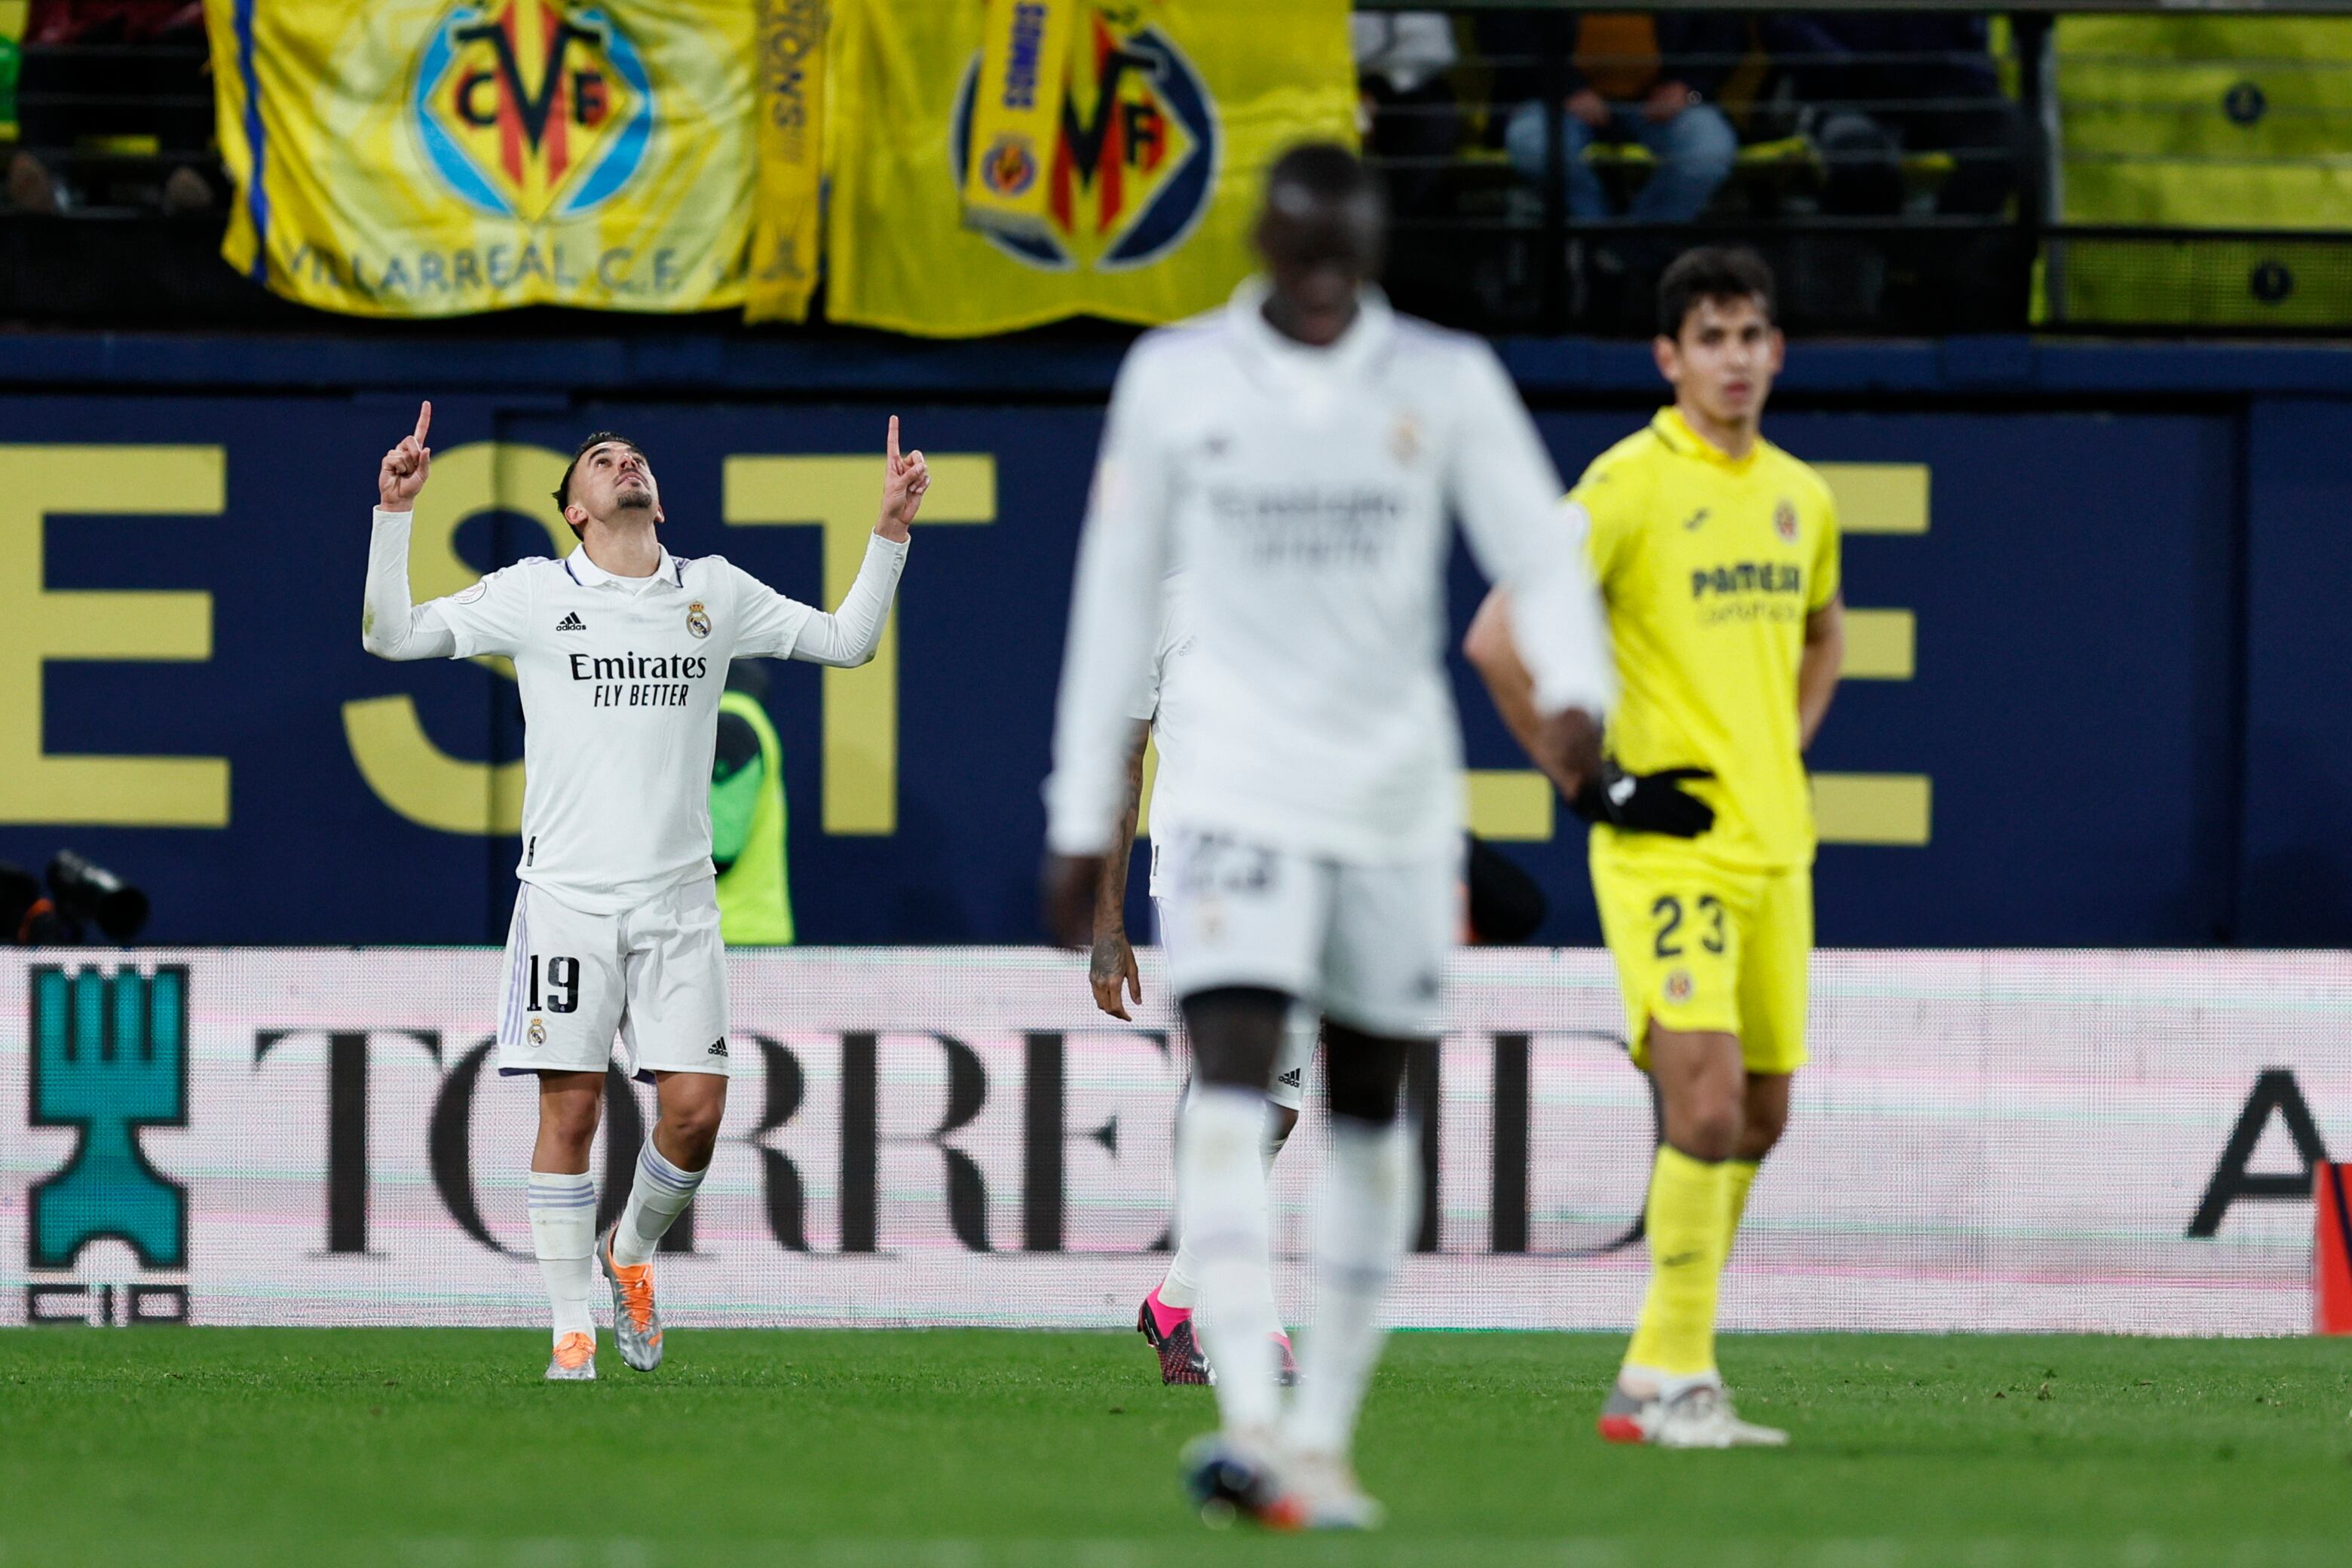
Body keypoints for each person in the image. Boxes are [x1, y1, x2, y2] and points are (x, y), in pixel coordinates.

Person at [1042, 143, 1612, 1529]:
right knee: (1234, 1090)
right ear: (1261, 240)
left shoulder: (1444, 379)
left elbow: (1539, 550)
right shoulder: (1177, 380)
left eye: (1340, 245)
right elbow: (1110, 601)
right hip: (1233, 814)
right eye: (1297, 243)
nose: (1317, 270)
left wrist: (1581, 691)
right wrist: (1074, 825)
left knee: (1366, 1119)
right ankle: (1250, 1417)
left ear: (1370, 245)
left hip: (1387, 806)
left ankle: (1322, 1439)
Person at [362, 405, 929, 1380]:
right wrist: (395, 515)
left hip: (678, 906)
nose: (625, 464)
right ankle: (570, 1332)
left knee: (697, 1114)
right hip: (567, 902)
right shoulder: (534, 593)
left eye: (634, 457)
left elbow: (849, 643)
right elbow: (390, 636)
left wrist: (888, 531)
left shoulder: (714, 591)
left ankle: (629, 1252)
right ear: (574, 510)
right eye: (601, 460)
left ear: (656, 501)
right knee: (571, 1115)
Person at [1465, 247, 1844, 1449]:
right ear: (1669, 357)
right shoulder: (1628, 485)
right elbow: (1497, 634)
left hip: (1775, 850)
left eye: (1751, 336)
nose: (1735, 359)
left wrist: (1777, 747)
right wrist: (1590, 784)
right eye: (1711, 338)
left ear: (1777, 352)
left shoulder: (1801, 499)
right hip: (1665, 852)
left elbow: (1825, 635)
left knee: (1764, 1115)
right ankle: (1681, 1379)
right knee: (1710, 1103)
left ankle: (1653, 1368)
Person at [1088, 569, 1311, 1389]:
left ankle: (1175, 1299)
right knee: (1234, 1086)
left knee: (1278, 1106)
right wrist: (1107, 924)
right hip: (1203, 879)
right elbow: (1122, 759)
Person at [1492, 11, 1744, 224]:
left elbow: (1725, 32)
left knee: (1708, 151)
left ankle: (1626, 253)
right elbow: (1504, 29)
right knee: (1534, 145)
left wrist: (1687, 87)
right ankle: (1594, 234)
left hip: (1665, 103)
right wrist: (1567, 89)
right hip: (1554, 99)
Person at [712, 660, 795, 945]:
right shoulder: (737, 720)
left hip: (730, 938)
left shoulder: (728, 727)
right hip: (736, 933)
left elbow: (721, 848)